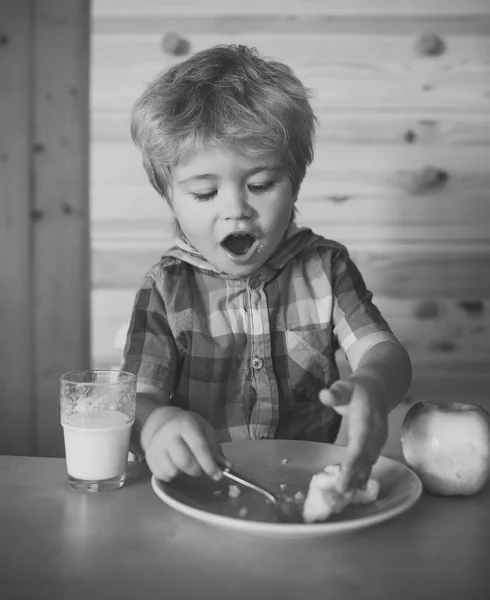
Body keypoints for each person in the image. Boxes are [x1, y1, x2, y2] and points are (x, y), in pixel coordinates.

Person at [122, 44, 412, 494]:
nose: (237, 210)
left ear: (294, 183)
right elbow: (138, 396)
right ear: (170, 198)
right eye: (204, 193)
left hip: (305, 484)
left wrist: (372, 388)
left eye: (260, 184)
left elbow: (383, 353)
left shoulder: (326, 268)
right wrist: (156, 423)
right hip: (201, 490)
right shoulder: (166, 287)